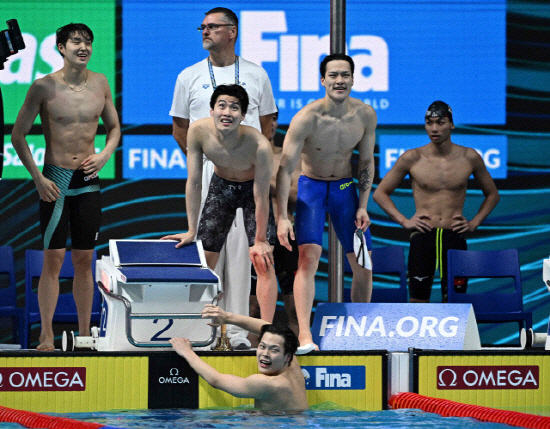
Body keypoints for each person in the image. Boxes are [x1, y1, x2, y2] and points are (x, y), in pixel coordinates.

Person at [169, 7, 277, 349]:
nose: (204, 31)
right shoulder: (188, 75)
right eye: (202, 26)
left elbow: (269, 124)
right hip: (211, 173)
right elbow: (180, 129)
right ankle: (208, 333)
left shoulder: (257, 74)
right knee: (208, 252)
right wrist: (213, 156)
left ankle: (239, 333)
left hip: (248, 174)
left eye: (212, 26)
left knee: (245, 256)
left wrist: (245, 159)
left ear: (232, 31)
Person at [11, 23, 120, 351]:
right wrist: (37, 178)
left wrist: (104, 155)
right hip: (55, 181)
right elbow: (18, 136)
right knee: (54, 259)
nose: (83, 47)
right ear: (61, 47)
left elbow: (114, 128)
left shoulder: (100, 83)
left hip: (87, 181)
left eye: (88, 42)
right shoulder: (43, 87)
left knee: (86, 260)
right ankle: (46, 335)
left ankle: (84, 335)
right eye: (76, 42)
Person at [276, 54, 377, 353]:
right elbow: (284, 168)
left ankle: (360, 329)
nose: (339, 81)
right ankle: (306, 337)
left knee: (363, 262)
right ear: (323, 80)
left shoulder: (365, 115)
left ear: (353, 79)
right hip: (312, 189)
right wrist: (282, 216)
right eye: (333, 75)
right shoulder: (307, 117)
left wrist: (363, 204)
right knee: (307, 261)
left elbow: (367, 161)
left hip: (346, 187)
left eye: (345, 75)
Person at [163, 84, 278, 323]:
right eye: (222, 106)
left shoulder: (259, 145)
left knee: (263, 260)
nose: (227, 112)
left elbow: (260, 194)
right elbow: (194, 182)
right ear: (211, 110)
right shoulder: (197, 131)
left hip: (250, 192)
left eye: (234, 108)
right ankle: (199, 327)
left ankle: (266, 330)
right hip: (221, 187)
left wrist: (260, 239)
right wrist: (191, 230)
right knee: (205, 262)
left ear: (244, 115)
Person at [373, 100, 500, 303]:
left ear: (451, 124)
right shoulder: (412, 157)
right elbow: (380, 193)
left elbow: (492, 195)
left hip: (455, 236)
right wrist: (405, 221)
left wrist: (474, 223)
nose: (434, 128)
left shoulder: (469, 157)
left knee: (455, 302)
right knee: (417, 301)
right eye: (429, 122)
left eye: (440, 122)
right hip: (423, 236)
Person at [170, 304, 308, 411]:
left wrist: (187, 352)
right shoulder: (291, 364)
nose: (265, 353)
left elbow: (216, 380)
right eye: (262, 346)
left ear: (287, 357)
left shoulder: (267, 383)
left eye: (274, 350)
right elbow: (267, 329)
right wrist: (227, 317)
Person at [249, 109, 300, 341]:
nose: (269, 124)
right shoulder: (243, 157)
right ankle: (251, 361)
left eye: (273, 118)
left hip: (285, 236)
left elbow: (296, 195)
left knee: (295, 310)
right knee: (253, 310)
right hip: (255, 236)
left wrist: (262, 180)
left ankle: (299, 362)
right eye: (262, 119)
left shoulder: (288, 159)